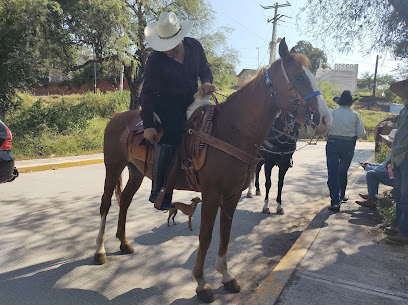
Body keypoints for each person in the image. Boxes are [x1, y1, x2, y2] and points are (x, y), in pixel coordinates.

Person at [140, 12, 214, 210]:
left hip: (192, 98)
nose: (167, 52)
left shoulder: (195, 47)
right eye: (163, 47)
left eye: (170, 46)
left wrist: (207, 82)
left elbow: (205, 69)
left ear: (180, 37)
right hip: (165, 103)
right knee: (172, 131)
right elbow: (146, 93)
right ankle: (160, 191)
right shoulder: (155, 59)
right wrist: (147, 125)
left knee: (212, 118)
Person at [326, 90, 366, 212]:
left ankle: (335, 202)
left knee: (333, 172)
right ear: (350, 103)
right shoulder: (355, 115)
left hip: (332, 143)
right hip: (348, 144)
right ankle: (342, 195)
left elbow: (325, 130)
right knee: (343, 171)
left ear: (339, 102)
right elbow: (361, 133)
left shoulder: (331, 113)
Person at [386, 79, 408, 245]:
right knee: (399, 194)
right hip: (399, 156)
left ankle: (405, 232)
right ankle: (400, 226)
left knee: (406, 196)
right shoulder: (405, 109)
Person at [355, 129, 396, 209]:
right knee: (373, 172)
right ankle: (372, 194)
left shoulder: (396, 153)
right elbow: (384, 165)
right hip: (395, 176)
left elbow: (385, 169)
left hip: (395, 178)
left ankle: (372, 200)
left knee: (371, 174)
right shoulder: (395, 151)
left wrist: (368, 168)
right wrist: (371, 165)